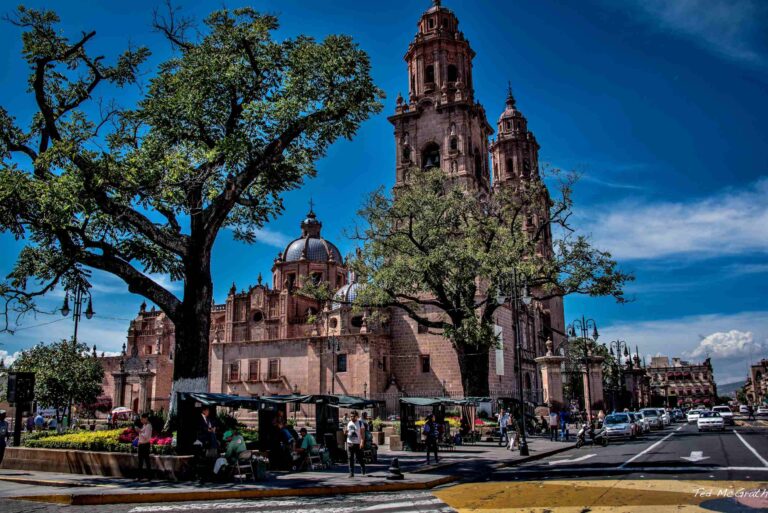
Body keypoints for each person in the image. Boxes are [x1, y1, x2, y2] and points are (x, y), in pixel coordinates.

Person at [344, 410, 366, 477]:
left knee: (359, 458)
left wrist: (362, 442)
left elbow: (362, 434)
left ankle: (363, 468)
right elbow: (346, 432)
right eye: (351, 416)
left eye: (353, 416)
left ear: (357, 416)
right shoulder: (349, 423)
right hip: (349, 443)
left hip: (357, 443)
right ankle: (351, 473)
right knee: (350, 458)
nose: (352, 418)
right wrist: (345, 432)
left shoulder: (360, 423)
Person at [136, 413, 153, 481]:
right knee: (141, 461)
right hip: (141, 444)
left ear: (146, 418)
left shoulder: (149, 426)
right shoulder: (144, 425)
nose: (141, 421)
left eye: (142, 419)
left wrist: (139, 431)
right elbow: (142, 434)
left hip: (145, 445)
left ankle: (148, 476)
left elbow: (146, 436)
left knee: (146, 460)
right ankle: (140, 476)